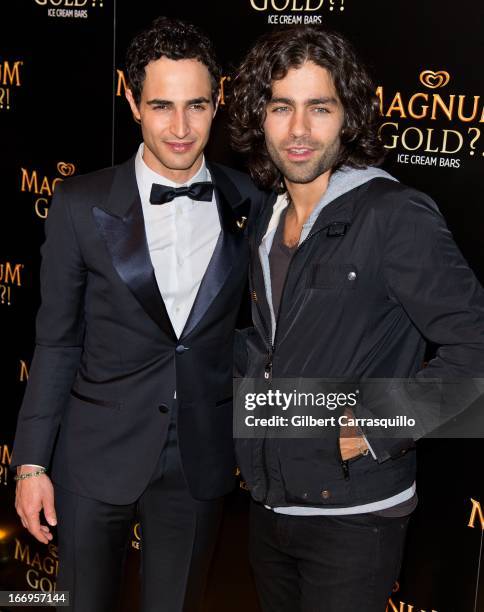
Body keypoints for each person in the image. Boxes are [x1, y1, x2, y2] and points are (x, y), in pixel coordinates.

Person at [11, 16, 266, 612]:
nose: (181, 128)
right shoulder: (79, 204)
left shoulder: (251, 201)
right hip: (93, 456)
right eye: (161, 106)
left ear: (220, 97)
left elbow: (259, 333)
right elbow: (56, 342)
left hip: (200, 458)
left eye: (197, 105)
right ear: (130, 99)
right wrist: (29, 464)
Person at [230, 26, 484, 612]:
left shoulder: (394, 214)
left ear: (347, 117)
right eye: (281, 107)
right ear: (258, 117)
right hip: (269, 506)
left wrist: (377, 428)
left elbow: (474, 346)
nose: (298, 131)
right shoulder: (268, 213)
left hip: (353, 518)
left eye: (319, 108)